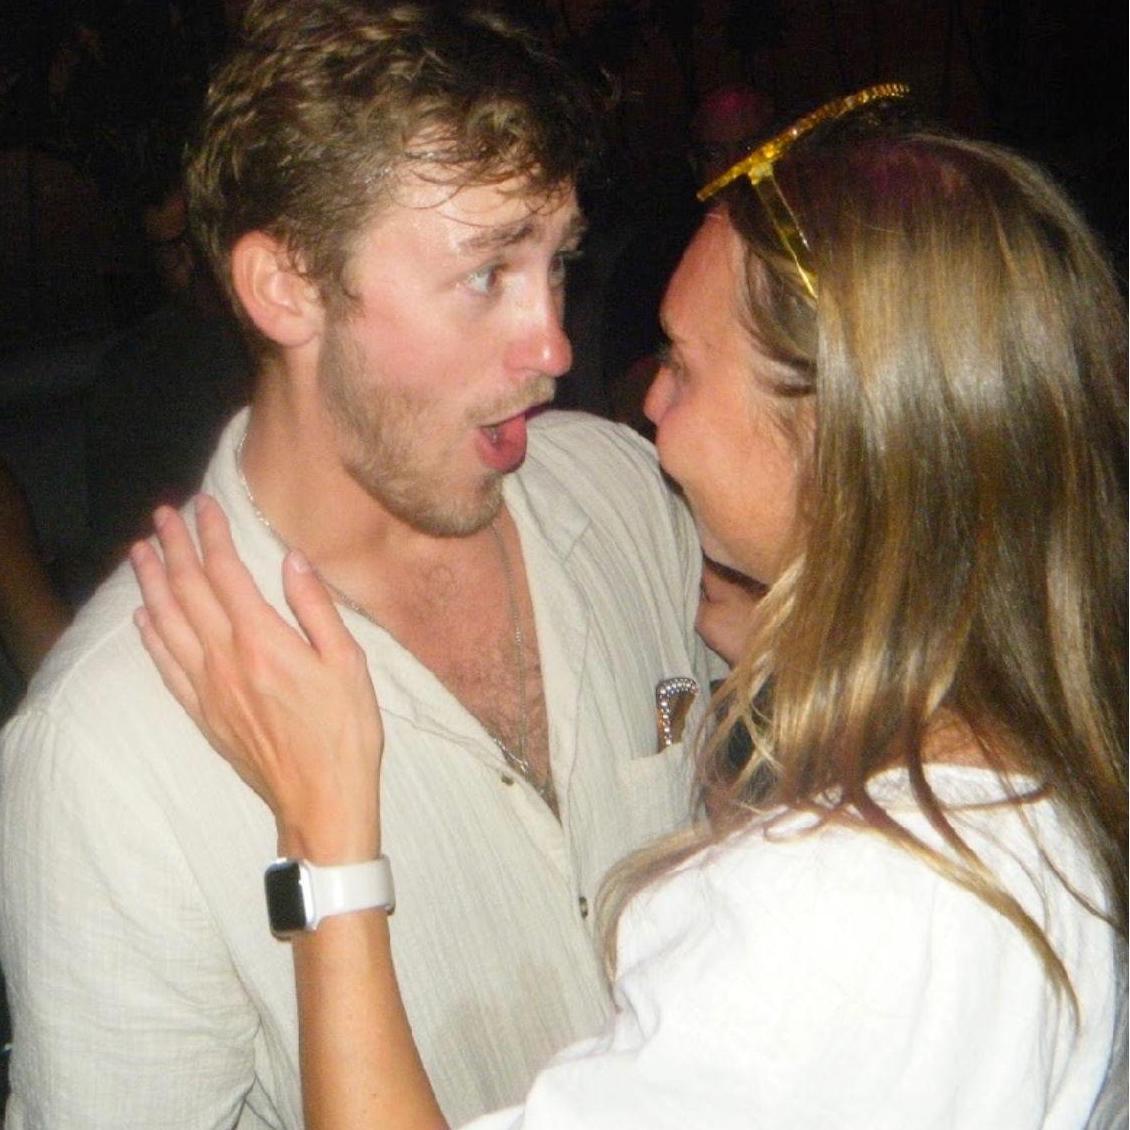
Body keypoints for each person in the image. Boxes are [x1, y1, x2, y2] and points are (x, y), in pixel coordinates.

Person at [130, 85, 1127, 1128]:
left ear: (841, 437)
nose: (624, 387)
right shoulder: (1039, 718)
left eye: (683, 367)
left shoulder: (853, 914)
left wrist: (328, 844)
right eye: (486, 272)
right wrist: (826, 636)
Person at [0, 3, 720, 1126]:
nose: (553, 344)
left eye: (557, 261)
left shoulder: (622, 491)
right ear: (285, 287)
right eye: (486, 272)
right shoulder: (105, 750)